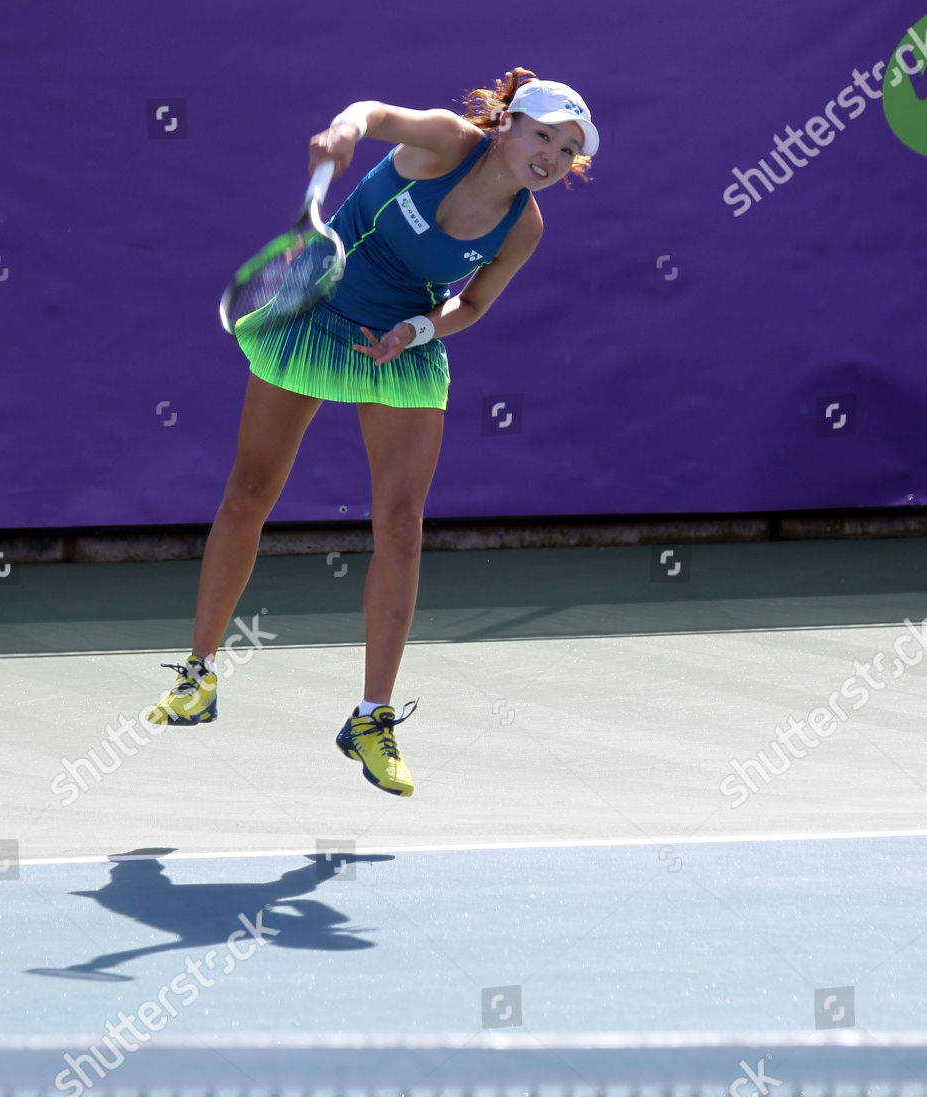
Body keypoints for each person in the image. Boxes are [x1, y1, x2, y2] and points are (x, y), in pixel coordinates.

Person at [146, 67, 599, 797]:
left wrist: (419, 328)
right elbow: (374, 109)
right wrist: (347, 131)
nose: (551, 155)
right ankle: (198, 676)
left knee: (402, 524)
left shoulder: (527, 227)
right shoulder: (449, 143)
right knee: (250, 492)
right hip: (316, 312)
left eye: (568, 149)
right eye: (543, 134)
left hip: (401, 339)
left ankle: (371, 718)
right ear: (509, 125)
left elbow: (474, 304)